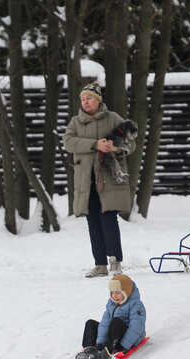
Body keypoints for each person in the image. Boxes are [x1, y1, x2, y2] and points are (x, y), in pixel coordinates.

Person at [63, 81, 136, 278]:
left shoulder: (113, 118)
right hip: (86, 181)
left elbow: (131, 142)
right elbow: (68, 142)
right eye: (83, 99)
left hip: (109, 178)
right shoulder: (75, 122)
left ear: (98, 100)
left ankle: (115, 262)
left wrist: (114, 147)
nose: (85, 102)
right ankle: (100, 264)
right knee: (93, 221)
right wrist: (94, 144)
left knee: (108, 219)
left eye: (89, 98)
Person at [76, 274, 147, 359]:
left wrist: (123, 346)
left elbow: (136, 327)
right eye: (112, 292)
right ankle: (89, 350)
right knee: (90, 323)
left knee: (116, 321)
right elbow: (105, 323)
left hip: (129, 339)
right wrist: (101, 343)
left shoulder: (136, 305)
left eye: (118, 292)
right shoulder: (111, 303)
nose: (114, 296)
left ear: (127, 291)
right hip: (113, 334)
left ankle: (107, 352)